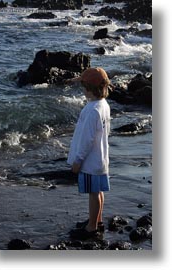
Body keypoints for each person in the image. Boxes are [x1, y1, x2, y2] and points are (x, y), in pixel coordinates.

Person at [67, 67, 111, 240]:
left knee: (94, 194)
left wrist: (78, 160)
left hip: (90, 161)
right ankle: (97, 220)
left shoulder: (92, 110)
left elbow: (87, 139)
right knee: (98, 192)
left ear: (89, 89)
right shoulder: (103, 105)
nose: (82, 90)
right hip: (100, 158)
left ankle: (91, 227)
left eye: (83, 86)